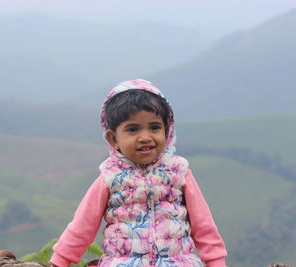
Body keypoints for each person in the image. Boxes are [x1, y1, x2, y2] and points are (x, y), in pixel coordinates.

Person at [50, 79, 227, 267]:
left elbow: (203, 225)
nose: (145, 137)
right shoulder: (110, 177)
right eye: (133, 129)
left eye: (154, 127)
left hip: (177, 262)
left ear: (166, 131)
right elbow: (83, 226)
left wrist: (216, 262)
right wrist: (60, 261)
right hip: (123, 263)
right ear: (113, 138)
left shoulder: (178, 171)